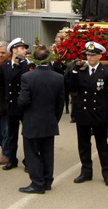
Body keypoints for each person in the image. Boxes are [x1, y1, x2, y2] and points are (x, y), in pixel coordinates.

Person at [70, 41, 108, 187]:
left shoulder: (107, 72)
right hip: (83, 113)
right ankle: (86, 172)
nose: (89, 57)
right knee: (84, 145)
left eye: (93, 55)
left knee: (102, 145)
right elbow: (72, 88)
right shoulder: (81, 71)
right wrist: (73, 71)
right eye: (88, 55)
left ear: (99, 56)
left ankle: (107, 174)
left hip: (99, 115)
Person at [17, 46, 64, 194]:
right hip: (49, 121)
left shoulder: (27, 77)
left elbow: (23, 101)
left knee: (32, 154)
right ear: (48, 59)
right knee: (47, 153)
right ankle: (47, 181)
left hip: (32, 122)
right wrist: (55, 119)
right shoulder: (58, 77)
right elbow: (60, 103)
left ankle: (37, 184)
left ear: (35, 60)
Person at [0, 37, 31, 171]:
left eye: (25, 48)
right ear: (14, 50)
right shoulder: (5, 66)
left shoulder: (27, 65)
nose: (25, 50)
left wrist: (23, 63)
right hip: (11, 105)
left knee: (28, 135)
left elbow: (28, 79)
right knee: (12, 134)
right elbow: (1, 85)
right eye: (22, 48)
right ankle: (12, 160)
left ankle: (29, 161)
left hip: (24, 106)